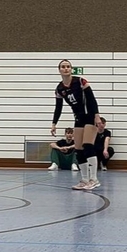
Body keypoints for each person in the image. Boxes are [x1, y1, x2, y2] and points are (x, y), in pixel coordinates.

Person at [51, 59, 101, 191]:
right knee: (79, 149)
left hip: (89, 115)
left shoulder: (80, 81)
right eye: (63, 67)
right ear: (59, 70)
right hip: (78, 118)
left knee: (88, 145)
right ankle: (84, 180)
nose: (66, 68)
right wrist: (54, 123)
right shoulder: (59, 89)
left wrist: (97, 116)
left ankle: (94, 179)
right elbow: (58, 107)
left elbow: (91, 99)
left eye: (68, 66)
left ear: (71, 69)